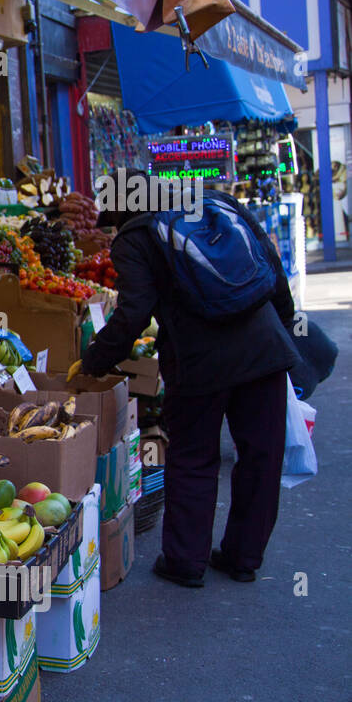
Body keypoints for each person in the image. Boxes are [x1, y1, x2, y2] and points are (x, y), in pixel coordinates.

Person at [73, 177, 298, 587]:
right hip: (264, 348)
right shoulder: (217, 204)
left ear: (122, 210)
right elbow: (271, 265)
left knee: (194, 458)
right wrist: (283, 329)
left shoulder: (135, 237)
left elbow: (133, 312)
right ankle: (243, 557)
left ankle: (185, 562)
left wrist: (94, 360)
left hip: (199, 360)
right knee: (262, 456)